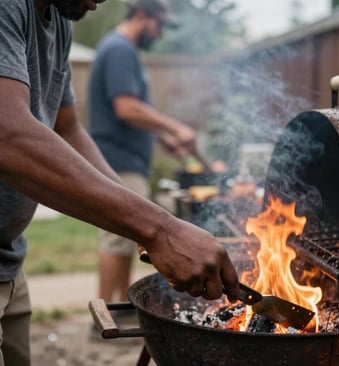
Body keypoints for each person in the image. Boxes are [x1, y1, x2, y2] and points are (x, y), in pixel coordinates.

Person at [0, 0, 239, 364]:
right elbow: (7, 133)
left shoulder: (59, 22)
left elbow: (67, 128)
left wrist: (150, 223)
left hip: (9, 256)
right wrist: (160, 229)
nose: (101, 1)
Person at [88, 0, 196, 311]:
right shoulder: (119, 49)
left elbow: (130, 113)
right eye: (159, 25)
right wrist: (175, 127)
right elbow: (126, 107)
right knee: (116, 239)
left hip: (127, 160)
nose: (160, 34)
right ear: (141, 16)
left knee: (125, 241)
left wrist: (164, 138)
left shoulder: (123, 50)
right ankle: (106, 313)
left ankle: (121, 307)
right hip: (117, 162)